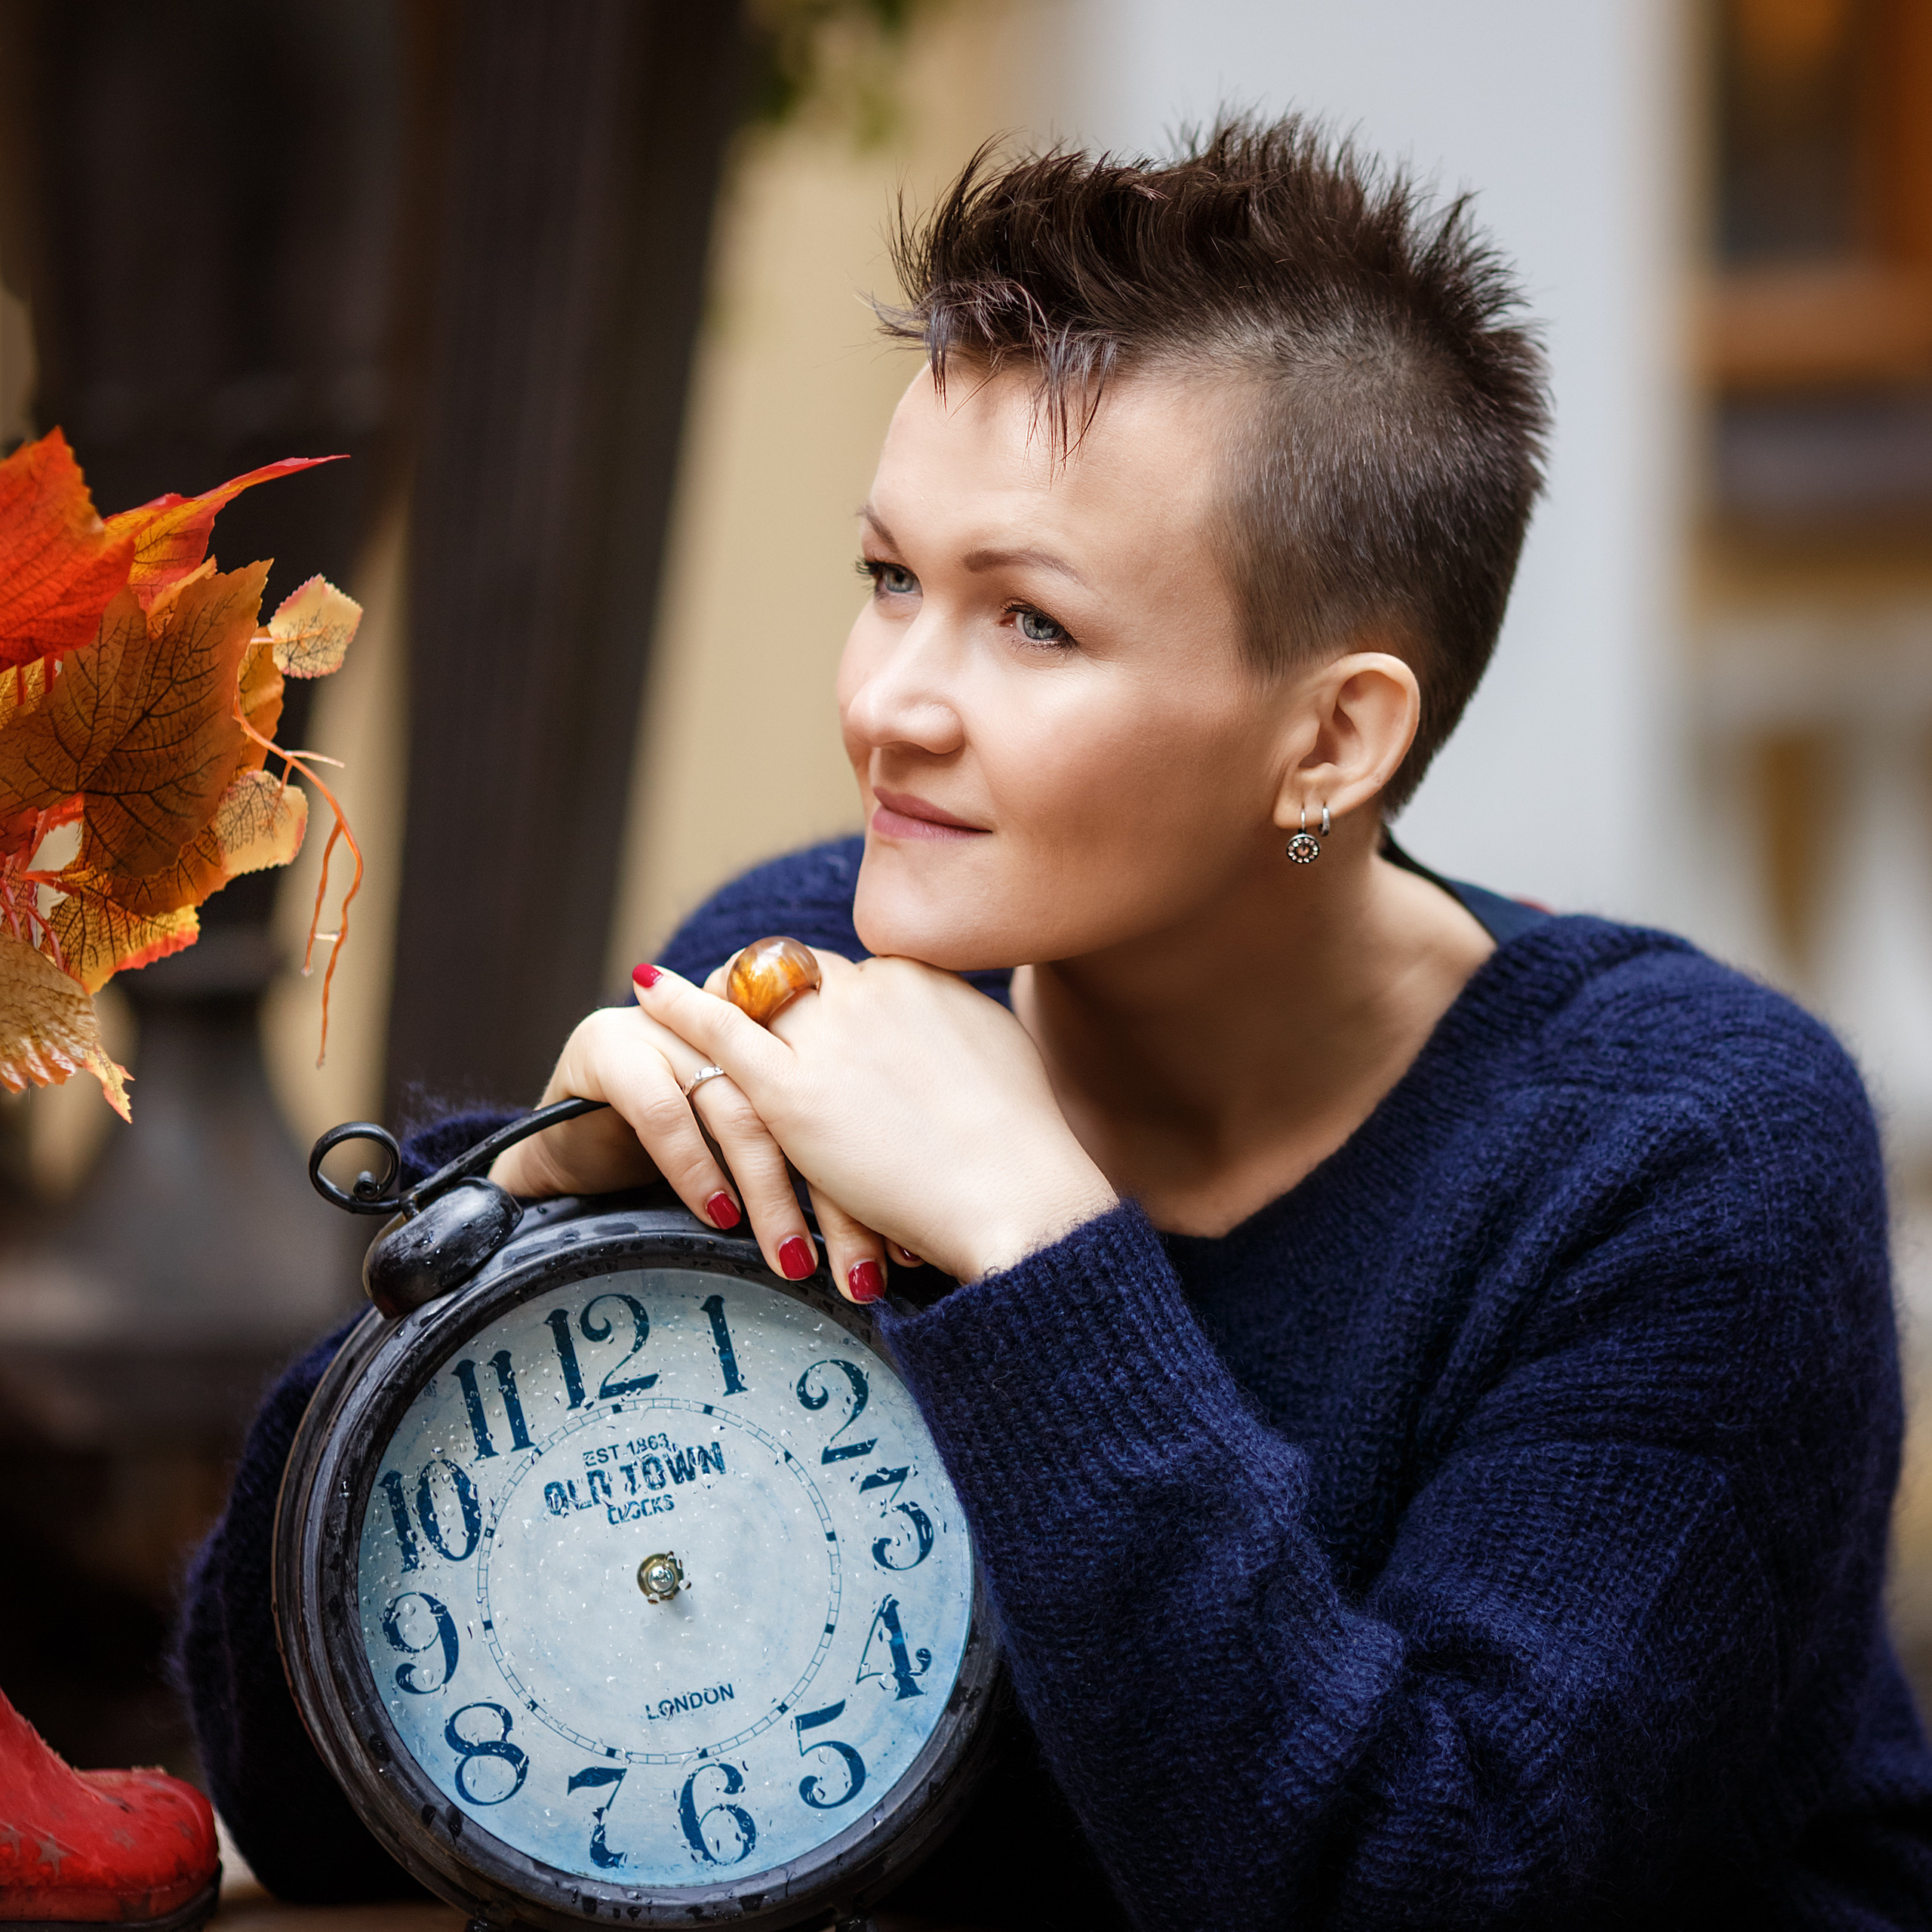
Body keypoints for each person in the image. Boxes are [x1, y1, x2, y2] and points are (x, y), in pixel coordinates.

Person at [177, 117, 1932, 1928]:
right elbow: (313, 1797)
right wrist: (519, 1226)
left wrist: (1037, 1247)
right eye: (886, 579)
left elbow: (1431, 1881)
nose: (889, 706)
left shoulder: (1685, 1165)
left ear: (1331, 739)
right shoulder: (798, 972)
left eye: (1028, 621)